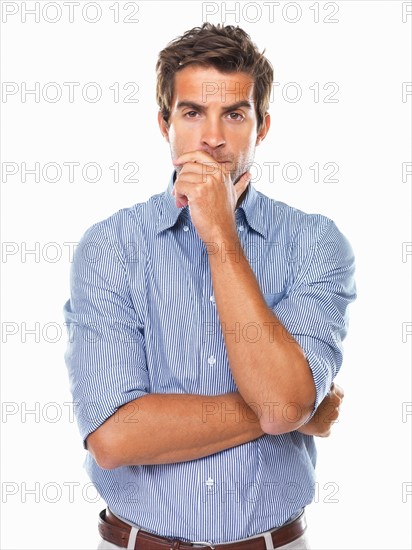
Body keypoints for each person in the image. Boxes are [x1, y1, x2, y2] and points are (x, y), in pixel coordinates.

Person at [64, 23, 356, 550]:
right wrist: (289, 412)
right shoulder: (109, 247)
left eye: (235, 114)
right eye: (193, 112)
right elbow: (113, 437)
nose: (213, 137)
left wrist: (221, 237)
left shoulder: (315, 243)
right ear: (164, 123)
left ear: (262, 126)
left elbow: (285, 405)